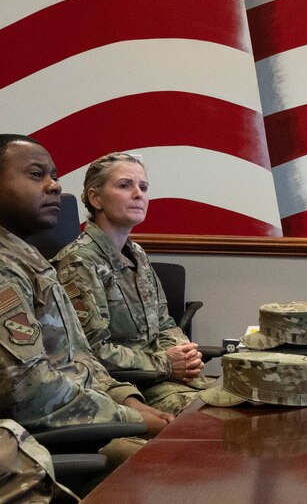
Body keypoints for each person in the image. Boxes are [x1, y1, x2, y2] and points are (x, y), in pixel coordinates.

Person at [0, 134, 172, 437]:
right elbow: (28, 391)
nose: (55, 186)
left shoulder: (32, 263)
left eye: (54, 176)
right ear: (96, 198)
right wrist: (129, 417)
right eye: (36, 175)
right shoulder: (9, 270)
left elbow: (79, 359)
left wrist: (127, 400)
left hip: (94, 408)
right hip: (43, 439)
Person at [54, 153, 209, 415]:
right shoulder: (79, 262)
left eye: (143, 187)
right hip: (125, 389)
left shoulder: (136, 253)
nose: (138, 194)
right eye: (125, 185)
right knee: (217, 421)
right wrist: (167, 364)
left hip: (165, 377)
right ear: (96, 199)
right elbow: (91, 352)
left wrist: (185, 356)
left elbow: (164, 324)